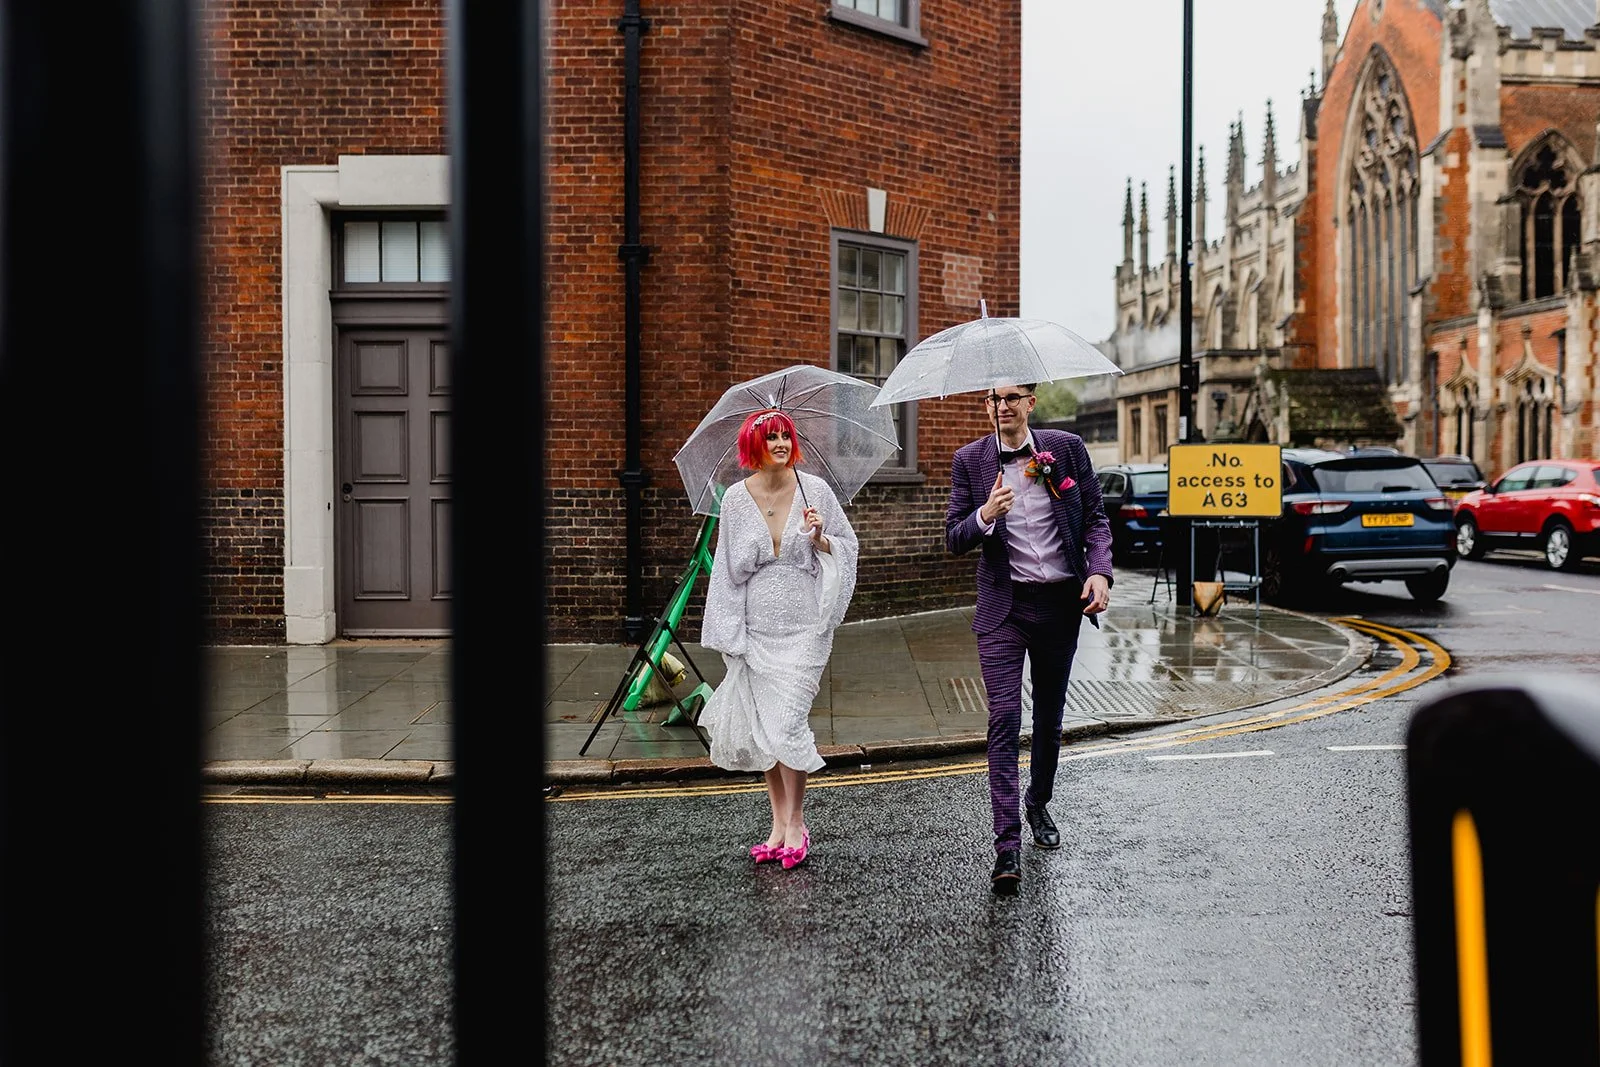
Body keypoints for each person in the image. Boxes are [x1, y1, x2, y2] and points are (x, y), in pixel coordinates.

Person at [945, 382, 1112, 895]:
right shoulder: (970, 461)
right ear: (987, 407)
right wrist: (984, 515)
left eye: (1014, 397)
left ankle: (1038, 801)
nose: (1005, 406)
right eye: (996, 399)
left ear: (1031, 403)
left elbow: (1097, 521)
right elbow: (953, 537)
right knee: (1003, 717)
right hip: (1005, 607)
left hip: (1061, 603)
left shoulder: (1065, 450)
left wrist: (1100, 573)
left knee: (1050, 715)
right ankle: (1006, 843)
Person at [698, 409, 859, 870]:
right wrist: (728, 633)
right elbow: (727, 571)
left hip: (804, 627)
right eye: (772, 437)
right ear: (754, 446)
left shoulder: (816, 491)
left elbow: (848, 548)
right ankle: (776, 824)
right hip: (755, 628)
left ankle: (797, 822)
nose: (783, 444)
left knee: (787, 723)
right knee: (763, 727)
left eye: (786, 436)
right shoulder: (733, 499)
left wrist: (821, 538)